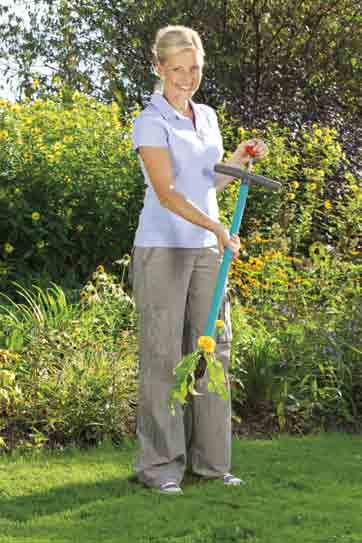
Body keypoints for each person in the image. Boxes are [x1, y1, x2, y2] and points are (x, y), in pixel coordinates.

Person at [131, 25, 267, 495]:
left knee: (212, 353)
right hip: (163, 247)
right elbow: (168, 193)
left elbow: (208, 184)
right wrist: (215, 227)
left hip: (208, 249)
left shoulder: (205, 116)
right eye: (178, 69)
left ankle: (212, 465)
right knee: (165, 357)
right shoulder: (150, 122)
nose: (187, 77)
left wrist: (240, 159)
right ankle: (161, 468)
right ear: (159, 68)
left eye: (195, 68)